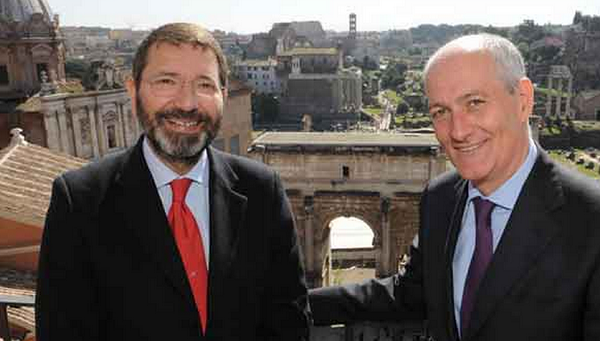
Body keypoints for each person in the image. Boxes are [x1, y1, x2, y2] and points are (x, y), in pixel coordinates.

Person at [310, 33, 600, 341]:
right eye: (440, 112)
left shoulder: (591, 221)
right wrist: (298, 303)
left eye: (475, 102)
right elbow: (412, 293)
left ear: (524, 99)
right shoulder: (441, 197)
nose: (458, 131)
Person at [36, 23, 310, 341]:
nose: (187, 104)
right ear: (132, 89)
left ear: (223, 95)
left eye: (204, 85)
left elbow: (288, 323)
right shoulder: (79, 201)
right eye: (166, 82)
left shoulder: (263, 190)